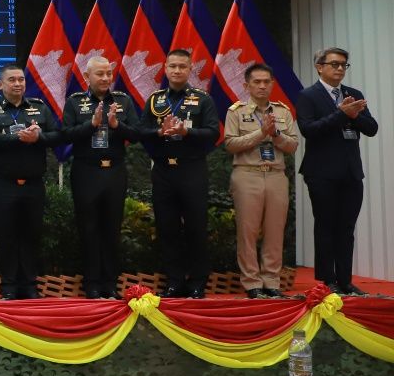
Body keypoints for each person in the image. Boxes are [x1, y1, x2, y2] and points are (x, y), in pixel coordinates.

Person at [296, 47, 379, 296]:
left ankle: (345, 280)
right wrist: (341, 114)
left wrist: (353, 115)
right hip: (321, 172)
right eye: (335, 64)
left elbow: (372, 128)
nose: (340, 69)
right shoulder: (308, 96)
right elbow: (309, 130)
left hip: (351, 172)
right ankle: (327, 280)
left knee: (346, 228)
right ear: (319, 67)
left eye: (344, 64)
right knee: (326, 226)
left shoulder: (353, 94)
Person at [0, 62, 60, 299]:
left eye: (21, 79)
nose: (18, 84)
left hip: (33, 184)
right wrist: (18, 138)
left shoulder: (38, 108)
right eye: (12, 80)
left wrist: (38, 137)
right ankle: (9, 287)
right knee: (6, 235)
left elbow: (57, 136)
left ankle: (30, 286)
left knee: (32, 234)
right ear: (0, 85)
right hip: (3, 183)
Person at [62, 56, 143, 300]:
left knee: (111, 228)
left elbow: (137, 134)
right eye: (100, 74)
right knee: (88, 228)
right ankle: (92, 284)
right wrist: (91, 124)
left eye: (109, 73)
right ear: (87, 77)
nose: (106, 78)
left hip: (114, 171)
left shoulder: (122, 101)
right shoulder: (75, 102)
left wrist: (117, 125)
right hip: (86, 171)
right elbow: (65, 134)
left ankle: (109, 283)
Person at [141, 49, 220, 298]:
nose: (177, 71)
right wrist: (157, 133)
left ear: (190, 69)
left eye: (182, 66)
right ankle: (174, 281)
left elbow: (213, 133)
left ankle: (197, 282)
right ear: (165, 68)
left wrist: (187, 133)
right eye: (173, 66)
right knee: (167, 228)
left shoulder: (203, 99)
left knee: (196, 227)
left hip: (192, 170)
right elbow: (140, 132)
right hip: (163, 170)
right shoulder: (154, 100)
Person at [224, 63, 299, 299]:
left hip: (276, 174)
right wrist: (261, 133)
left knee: (275, 230)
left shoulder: (283, 111)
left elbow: (292, 145)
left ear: (272, 84)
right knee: (247, 230)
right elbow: (230, 144)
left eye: (267, 82)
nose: (262, 86)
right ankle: (252, 283)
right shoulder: (236, 111)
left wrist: (275, 133)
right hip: (247, 173)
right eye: (257, 82)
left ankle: (271, 281)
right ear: (246, 85)